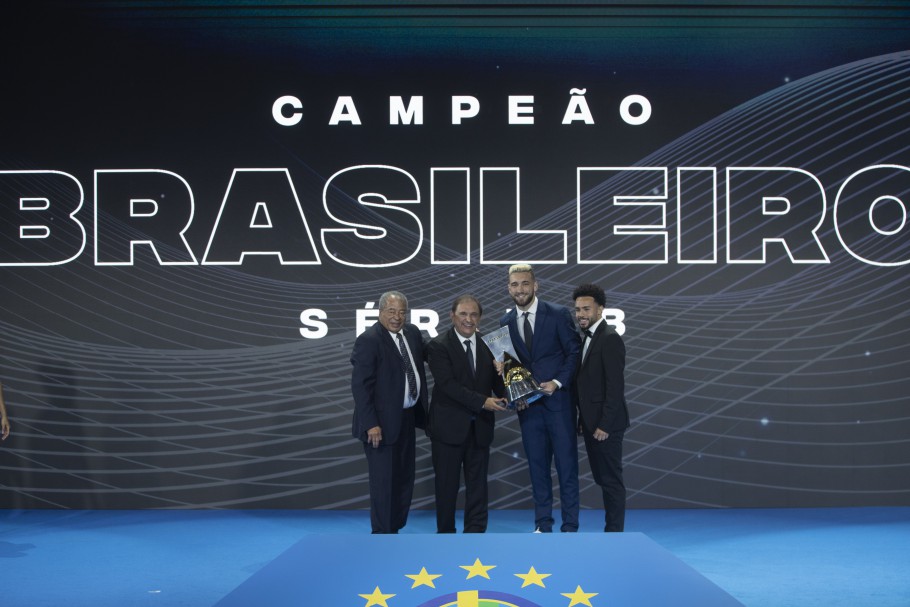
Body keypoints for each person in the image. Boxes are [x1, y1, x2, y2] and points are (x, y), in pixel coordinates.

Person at [500, 264, 580, 532]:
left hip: (559, 405)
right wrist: (516, 394)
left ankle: (570, 527)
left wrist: (557, 383)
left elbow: (573, 353)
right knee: (537, 469)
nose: (520, 289)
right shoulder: (505, 322)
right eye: (514, 285)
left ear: (536, 286)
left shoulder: (557, 314)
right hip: (529, 409)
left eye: (525, 283)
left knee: (567, 468)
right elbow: (511, 366)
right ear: (508, 288)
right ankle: (542, 524)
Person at [426, 294, 508, 533]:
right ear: (452, 316)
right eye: (463, 314)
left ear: (480, 317)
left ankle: (475, 534)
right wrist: (484, 402)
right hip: (447, 430)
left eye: (474, 314)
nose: (468, 319)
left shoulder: (493, 343)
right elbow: (448, 385)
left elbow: (499, 385)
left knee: (478, 487)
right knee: (446, 487)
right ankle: (446, 535)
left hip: (480, 429)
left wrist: (509, 381)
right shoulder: (438, 346)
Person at [350, 291, 428, 534]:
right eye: (392, 311)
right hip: (380, 426)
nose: (397, 317)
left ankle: (394, 530)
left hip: (406, 419)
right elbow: (361, 387)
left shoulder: (412, 333)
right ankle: (382, 536)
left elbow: (435, 353)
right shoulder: (369, 339)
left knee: (404, 480)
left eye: (402, 311)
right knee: (384, 485)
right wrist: (371, 423)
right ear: (380, 312)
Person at [572, 283, 630, 532]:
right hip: (591, 424)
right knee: (602, 478)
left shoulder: (609, 338)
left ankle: (614, 533)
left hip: (606, 426)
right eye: (577, 310)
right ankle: (612, 531)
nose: (581, 314)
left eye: (586, 309)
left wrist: (604, 424)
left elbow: (615, 387)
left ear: (600, 309)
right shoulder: (584, 338)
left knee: (611, 481)